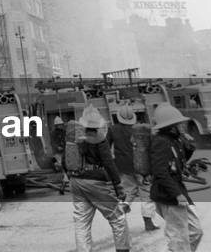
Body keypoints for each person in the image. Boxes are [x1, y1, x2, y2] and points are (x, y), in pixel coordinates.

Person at [67, 105, 130, 252]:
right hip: (95, 182)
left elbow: (66, 162)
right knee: (117, 218)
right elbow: (109, 163)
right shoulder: (100, 139)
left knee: (81, 223)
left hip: (76, 182)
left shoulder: (75, 138)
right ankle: (123, 249)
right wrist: (118, 186)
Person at [149, 104, 203, 252]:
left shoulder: (174, 140)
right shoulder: (161, 142)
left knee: (195, 231)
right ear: (171, 126)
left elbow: (180, 161)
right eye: (179, 123)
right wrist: (177, 194)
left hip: (178, 192)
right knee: (179, 238)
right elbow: (160, 172)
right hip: (169, 195)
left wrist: (189, 146)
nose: (183, 125)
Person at [110, 104, 158, 232]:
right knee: (146, 192)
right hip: (142, 166)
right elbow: (151, 148)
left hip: (123, 167)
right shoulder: (140, 129)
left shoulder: (113, 130)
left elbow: (106, 148)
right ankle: (148, 222)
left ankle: (119, 220)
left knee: (128, 192)